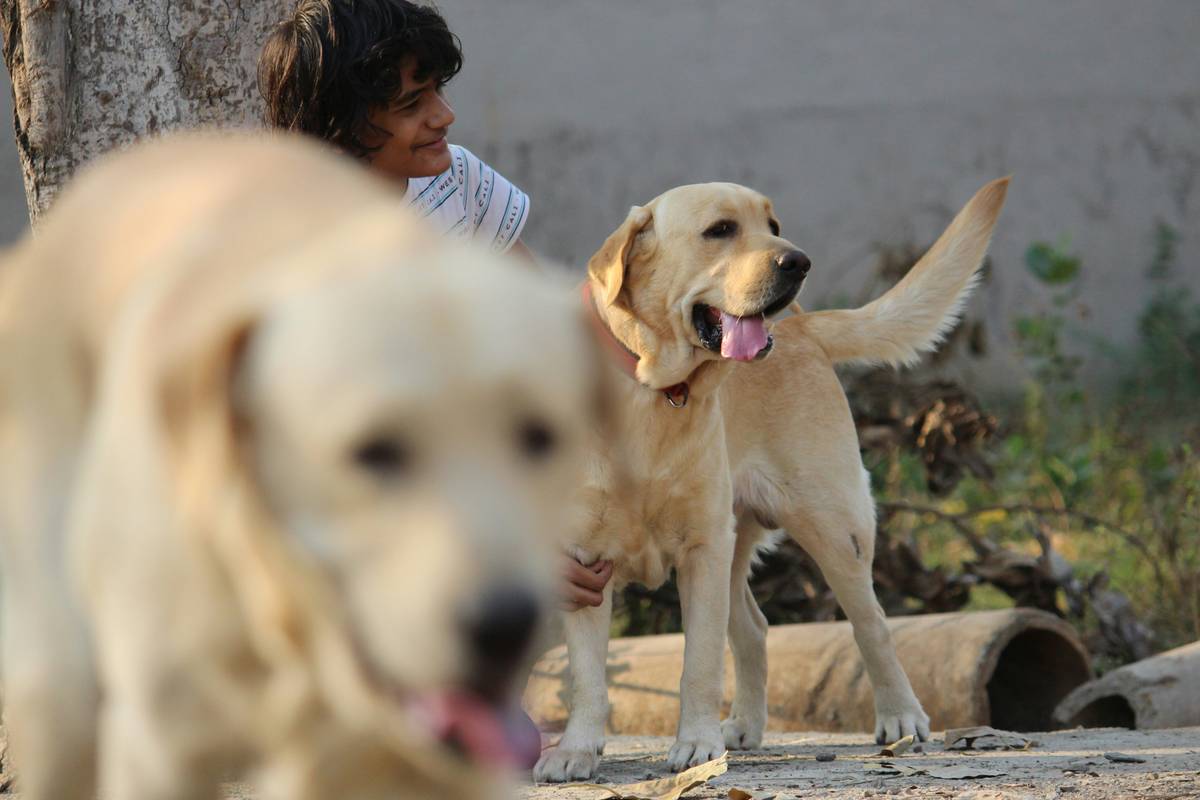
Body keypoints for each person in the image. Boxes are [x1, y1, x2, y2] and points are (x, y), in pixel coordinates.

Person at [257, 0, 612, 612]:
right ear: (341, 125)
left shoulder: (456, 182)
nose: (443, 116)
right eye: (411, 104)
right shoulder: (293, 260)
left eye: (438, 91)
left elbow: (554, 338)